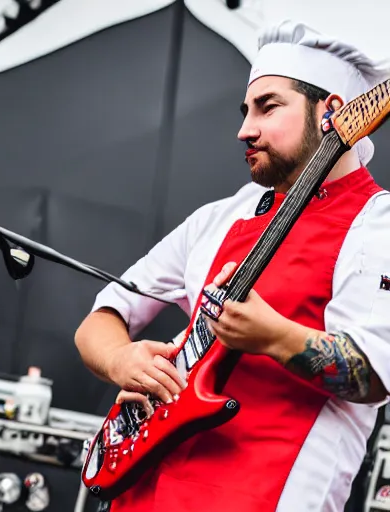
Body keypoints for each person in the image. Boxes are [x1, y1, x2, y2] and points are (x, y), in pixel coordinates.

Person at [74, 20, 390, 512]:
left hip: (265, 494)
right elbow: (105, 314)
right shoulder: (221, 215)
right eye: (245, 110)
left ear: (332, 112)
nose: (245, 129)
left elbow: (373, 375)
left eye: (268, 107)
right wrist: (121, 359)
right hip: (143, 489)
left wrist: (274, 336)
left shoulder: (378, 225)